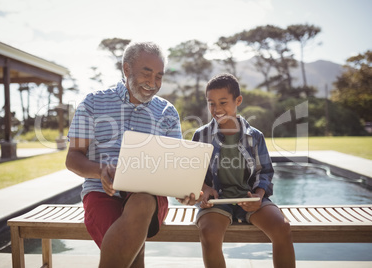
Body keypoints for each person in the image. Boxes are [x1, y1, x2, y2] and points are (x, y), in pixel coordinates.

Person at [66, 41, 183, 267]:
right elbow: (73, 157)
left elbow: (174, 167)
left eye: (159, 76)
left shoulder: (167, 112)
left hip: (150, 195)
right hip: (101, 193)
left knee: (142, 202)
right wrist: (101, 170)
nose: (153, 83)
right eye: (146, 73)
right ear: (127, 69)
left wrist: (183, 190)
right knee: (130, 250)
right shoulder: (92, 103)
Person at [191, 73, 296, 268]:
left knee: (283, 228)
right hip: (216, 202)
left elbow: (265, 172)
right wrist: (204, 187)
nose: (217, 109)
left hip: (250, 199)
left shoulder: (255, 136)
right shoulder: (201, 135)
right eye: (211, 103)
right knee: (208, 234)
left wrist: (258, 195)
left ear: (238, 100)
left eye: (223, 102)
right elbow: (192, 172)